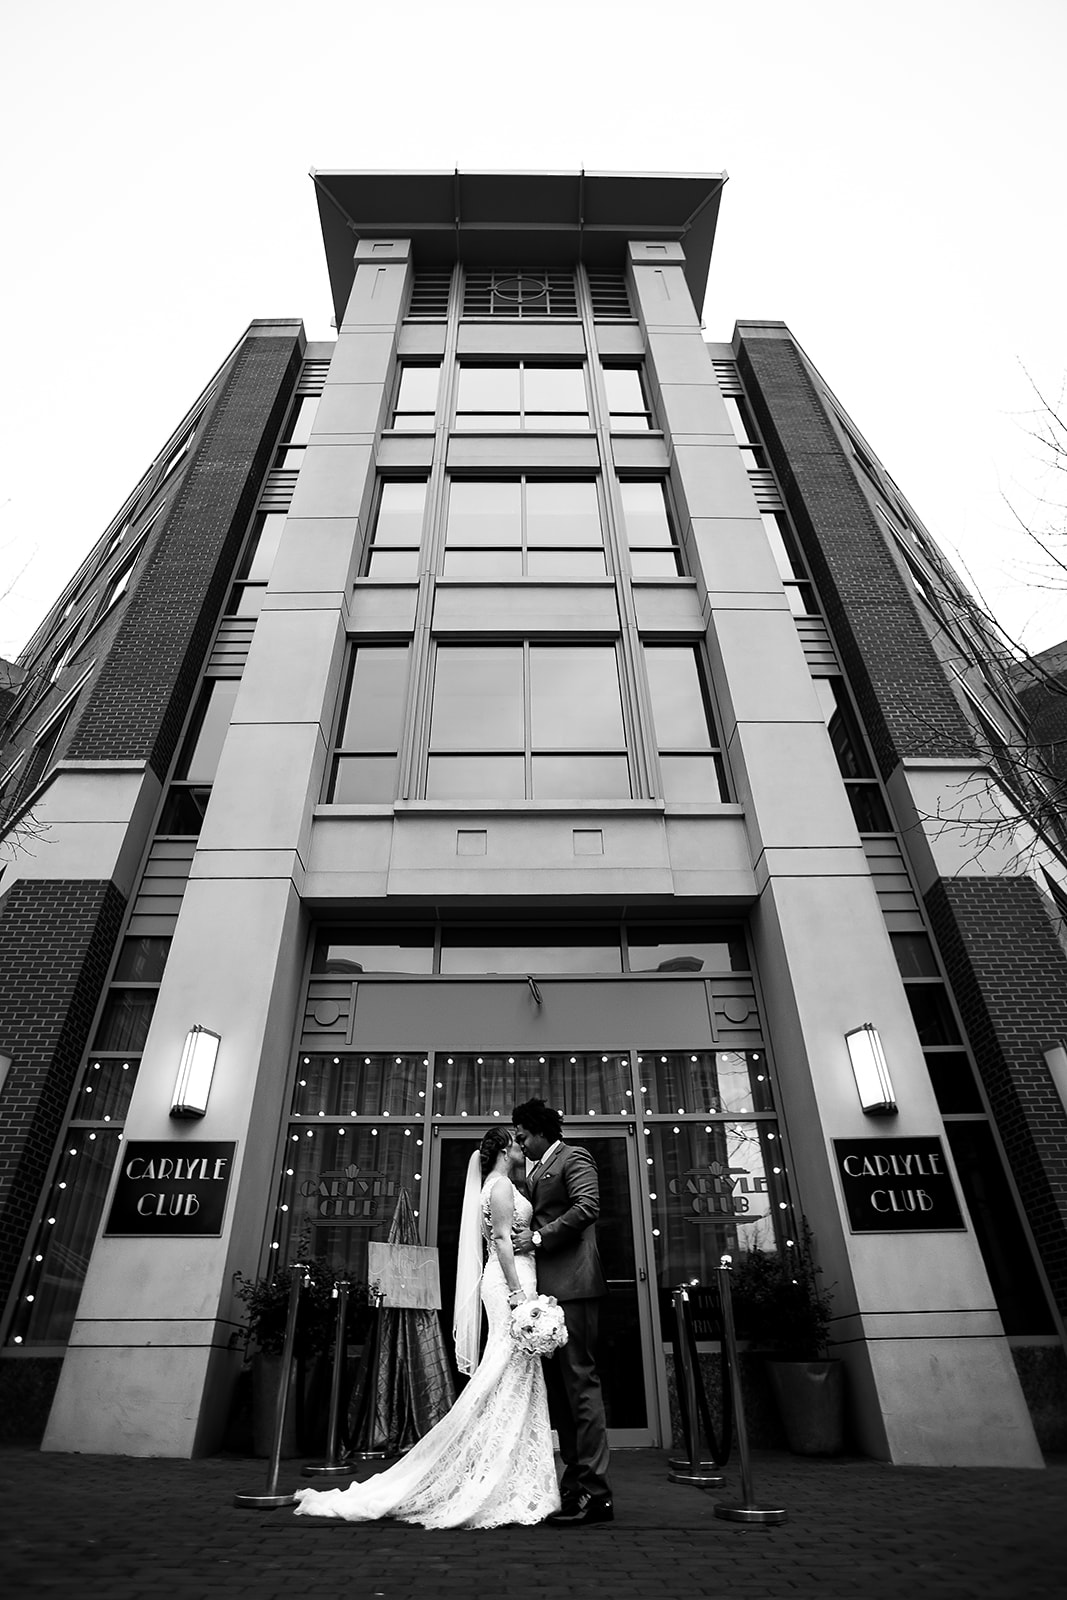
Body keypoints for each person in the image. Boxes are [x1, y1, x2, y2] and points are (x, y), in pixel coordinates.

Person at [292, 1127, 560, 1529]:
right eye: (518, 1144)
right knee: (504, 1374)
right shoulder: (502, 1186)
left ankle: (509, 1474)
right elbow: (503, 1240)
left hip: (512, 1280)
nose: (524, 1148)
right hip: (509, 1284)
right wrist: (520, 1296)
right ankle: (484, 1473)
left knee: (514, 1376)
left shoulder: (498, 1184)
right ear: (505, 1150)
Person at [511, 1097, 613, 1526]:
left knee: (581, 1386)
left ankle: (597, 1492)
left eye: (522, 1135)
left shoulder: (575, 1157)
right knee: (563, 1394)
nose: (519, 1143)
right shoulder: (532, 1169)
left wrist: (537, 1239)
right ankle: (573, 1487)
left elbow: (588, 1206)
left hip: (574, 1285)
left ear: (539, 1132)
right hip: (547, 1296)